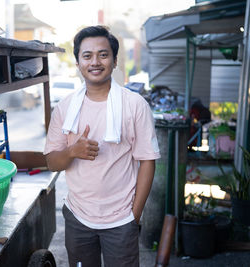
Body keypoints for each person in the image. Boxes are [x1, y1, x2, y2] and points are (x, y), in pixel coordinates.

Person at [44, 25, 160, 267]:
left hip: (122, 220)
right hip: (78, 217)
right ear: (78, 62)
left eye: (103, 54)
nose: (95, 62)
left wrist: (134, 216)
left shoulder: (135, 105)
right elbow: (52, 162)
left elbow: (147, 161)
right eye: (87, 55)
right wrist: (72, 151)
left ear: (115, 61)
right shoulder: (65, 108)